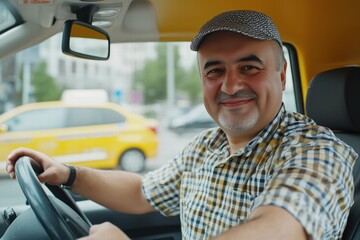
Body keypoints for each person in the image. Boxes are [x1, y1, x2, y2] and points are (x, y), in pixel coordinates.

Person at [6, 10, 357, 240]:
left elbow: (277, 227)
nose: (231, 86)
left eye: (250, 67)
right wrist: (68, 173)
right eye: (215, 70)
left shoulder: (319, 151)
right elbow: (142, 192)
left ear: (281, 76)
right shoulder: (206, 145)